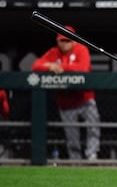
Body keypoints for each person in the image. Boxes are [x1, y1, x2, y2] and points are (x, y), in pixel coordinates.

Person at [31, 25, 101, 160]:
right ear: (57, 41)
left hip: (84, 98)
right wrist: (51, 66)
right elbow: (35, 66)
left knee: (93, 127)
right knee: (71, 134)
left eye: (68, 40)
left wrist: (60, 67)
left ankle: (92, 155)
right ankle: (75, 160)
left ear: (74, 40)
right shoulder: (53, 52)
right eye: (62, 41)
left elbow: (83, 68)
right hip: (66, 101)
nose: (65, 43)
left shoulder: (81, 49)